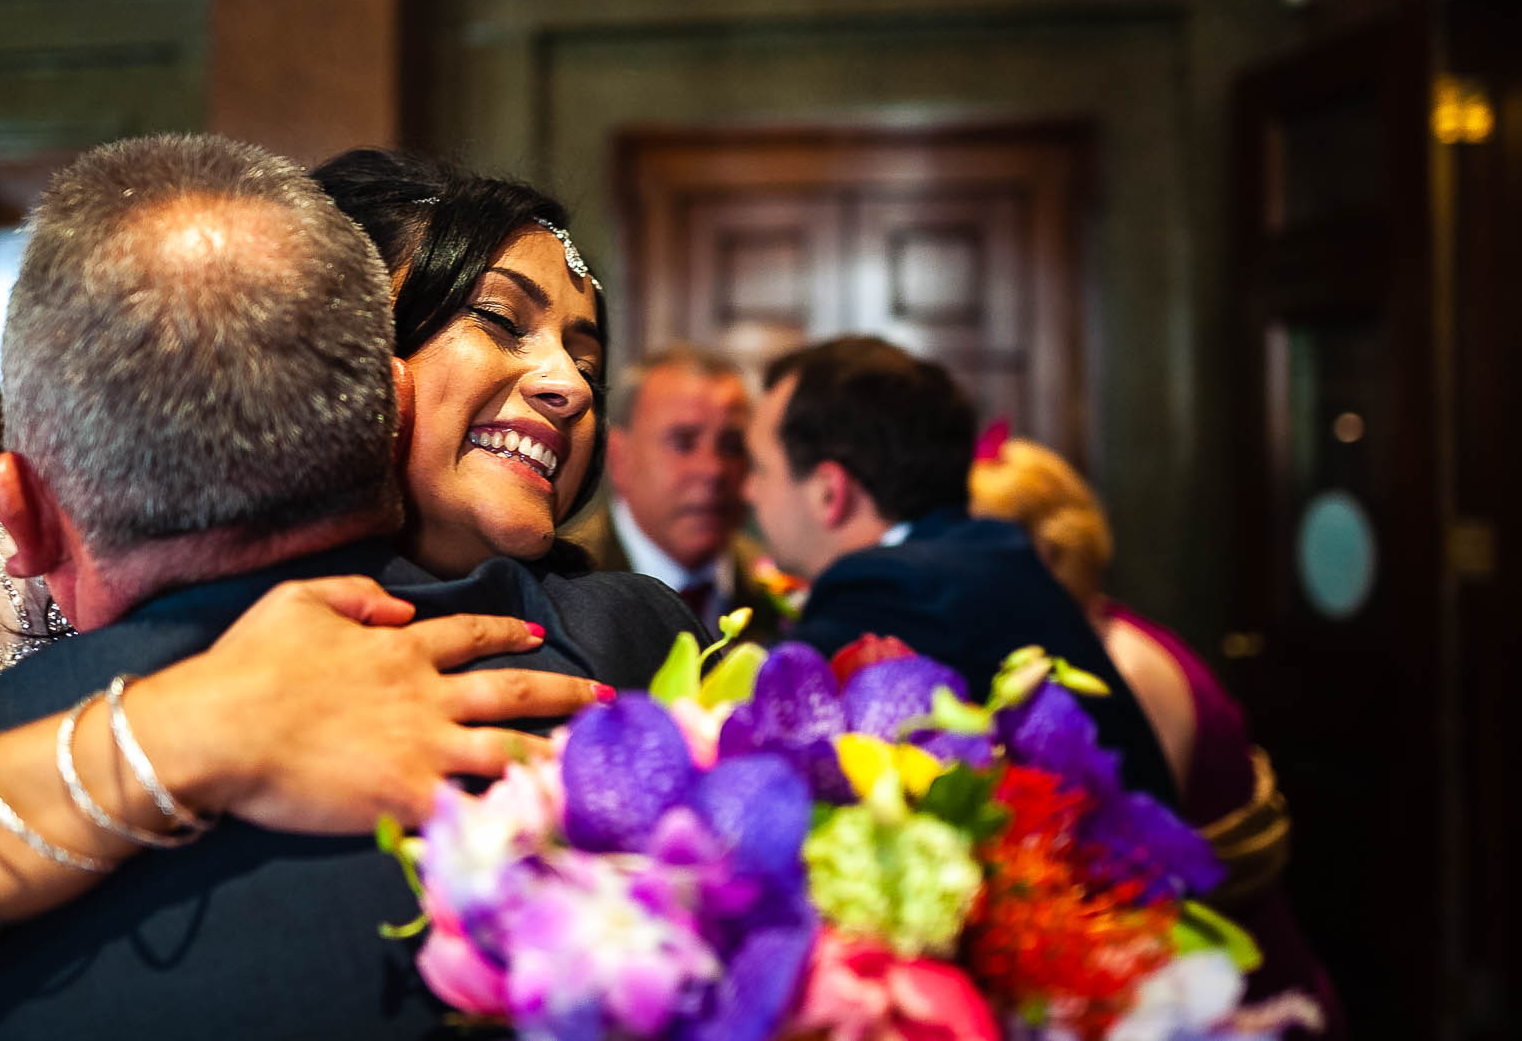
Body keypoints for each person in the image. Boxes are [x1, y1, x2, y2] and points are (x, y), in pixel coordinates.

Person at [0, 139, 699, 1038]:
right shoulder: (32, 574)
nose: (564, 383)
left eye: (588, 355)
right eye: (501, 320)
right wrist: (191, 729)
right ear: (349, 353)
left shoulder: (610, 632)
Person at [969, 433, 1343, 1034]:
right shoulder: (1096, 636)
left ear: (1033, 557)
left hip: (1236, 994)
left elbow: (1130, 865)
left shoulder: (1122, 669)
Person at [742, 335, 1179, 806]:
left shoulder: (889, 591)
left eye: (760, 469)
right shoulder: (987, 550)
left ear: (830, 492)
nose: (747, 491)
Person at [567, 343, 787, 641]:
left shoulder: (779, 587)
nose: (714, 470)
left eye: (732, 446)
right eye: (683, 443)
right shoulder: (563, 583)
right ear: (619, 457)